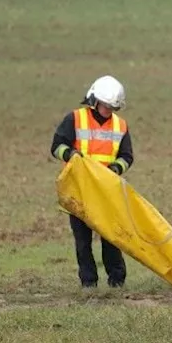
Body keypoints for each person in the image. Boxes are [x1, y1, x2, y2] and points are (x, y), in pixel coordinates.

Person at [50, 75, 133, 289]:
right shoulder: (75, 119)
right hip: (79, 191)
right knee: (83, 241)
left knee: (111, 239)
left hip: (106, 192)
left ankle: (117, 281)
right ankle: (88, 283)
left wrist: (116, 168)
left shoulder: (121, 126)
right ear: (94, 100)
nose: (108, 110)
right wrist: (70, 154)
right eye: (105, 105)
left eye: (112, 107)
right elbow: (56, 146)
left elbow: (127, 156)